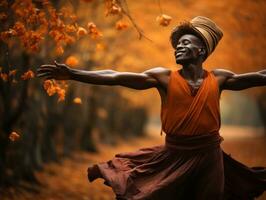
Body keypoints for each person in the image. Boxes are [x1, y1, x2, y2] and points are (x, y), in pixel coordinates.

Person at [37, 16, 266, 200]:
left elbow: (258, 77)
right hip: (174, 155)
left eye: (186, 43)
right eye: (177, 44)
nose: (178, 47)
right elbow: (115, 76)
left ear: (202, 51)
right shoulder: (163, 78)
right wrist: (74, 74)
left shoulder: (219, 78)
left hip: (210, 156)